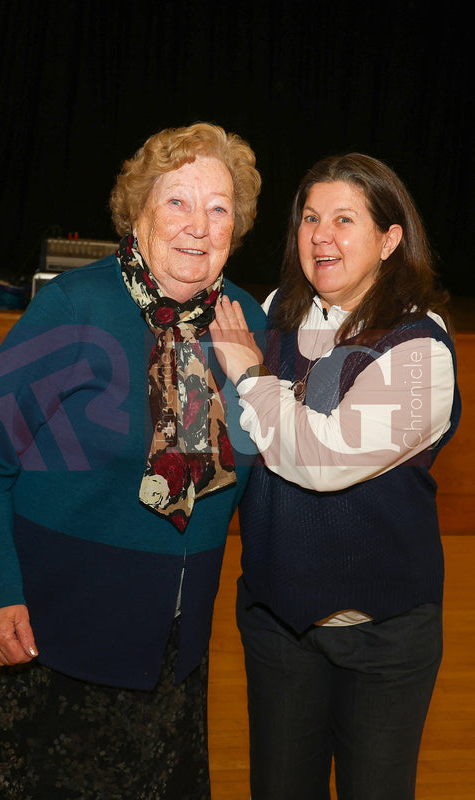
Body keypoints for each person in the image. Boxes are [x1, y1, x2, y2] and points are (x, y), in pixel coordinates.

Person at [0, 122, 265, 799]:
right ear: (138, 212)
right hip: (47, 641)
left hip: (171, 651)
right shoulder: (73, 308)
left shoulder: (246, 325)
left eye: (218, 208)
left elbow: (265, 472)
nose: (198, 226)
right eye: (176, 202)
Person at [209, 152, 461, 800]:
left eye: (344, 219)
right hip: (277, 626)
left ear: (389, 239)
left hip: (383, 637)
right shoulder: (276, 311)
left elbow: (322, 460)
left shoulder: (418, 347)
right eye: (310, 218)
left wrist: (250, 376)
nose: (321, 235)